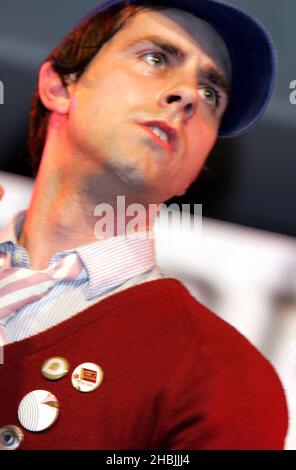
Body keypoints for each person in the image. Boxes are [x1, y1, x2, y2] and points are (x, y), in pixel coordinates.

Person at [0, 0, 288, 450]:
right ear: (59, 85)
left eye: (211, 93)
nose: (188, 94)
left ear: (196, 166)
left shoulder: (221, 375)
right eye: (156, 58)